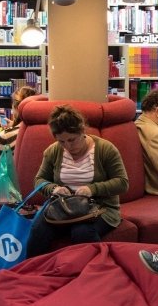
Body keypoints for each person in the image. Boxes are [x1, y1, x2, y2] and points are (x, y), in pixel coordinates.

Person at [26, 104, 129, 257]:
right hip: (62, 207)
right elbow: (39, 180)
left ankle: (93, 275)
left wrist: (92, 189)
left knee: (82, 232)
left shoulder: (105, 149)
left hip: (99, 208)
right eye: (62, 142)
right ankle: (32, 272)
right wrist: (54, 189)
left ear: (82, 131)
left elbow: (122, 182)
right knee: (37, 231)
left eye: (72, 140)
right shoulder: (53, 151)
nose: (68, 146)